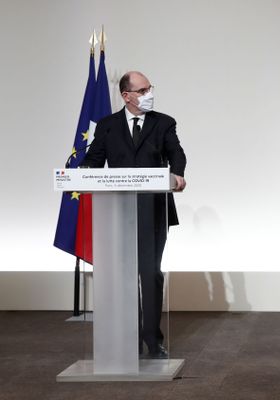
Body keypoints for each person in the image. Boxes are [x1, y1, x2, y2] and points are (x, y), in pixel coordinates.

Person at [82, 71, 187, 358]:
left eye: (150, 88)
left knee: (149, 273)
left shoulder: (163, 122)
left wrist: (177, 173)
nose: (148, 94)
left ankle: (153, 341)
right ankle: (126, 339)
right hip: (117, 211)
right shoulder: (107, 125)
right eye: (142, 90)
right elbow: (93, 160)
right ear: (126, 96)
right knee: (123, 275)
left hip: (153, 210)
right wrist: (81, 175)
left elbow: (176, 153)